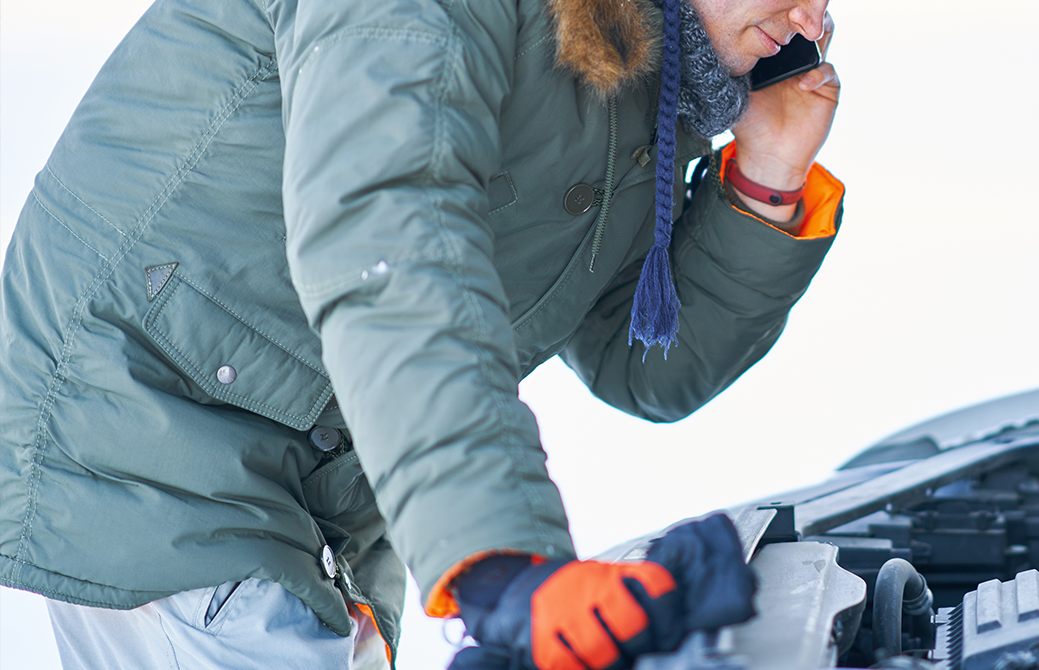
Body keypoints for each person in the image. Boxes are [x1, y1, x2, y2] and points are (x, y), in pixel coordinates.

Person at [0, 0, 843, 666]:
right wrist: (503, 561)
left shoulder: (638, 76)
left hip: (307, 472)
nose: (811, 20)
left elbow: (645, 364)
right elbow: (392, 248)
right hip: (148, 422)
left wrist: (766, 180)